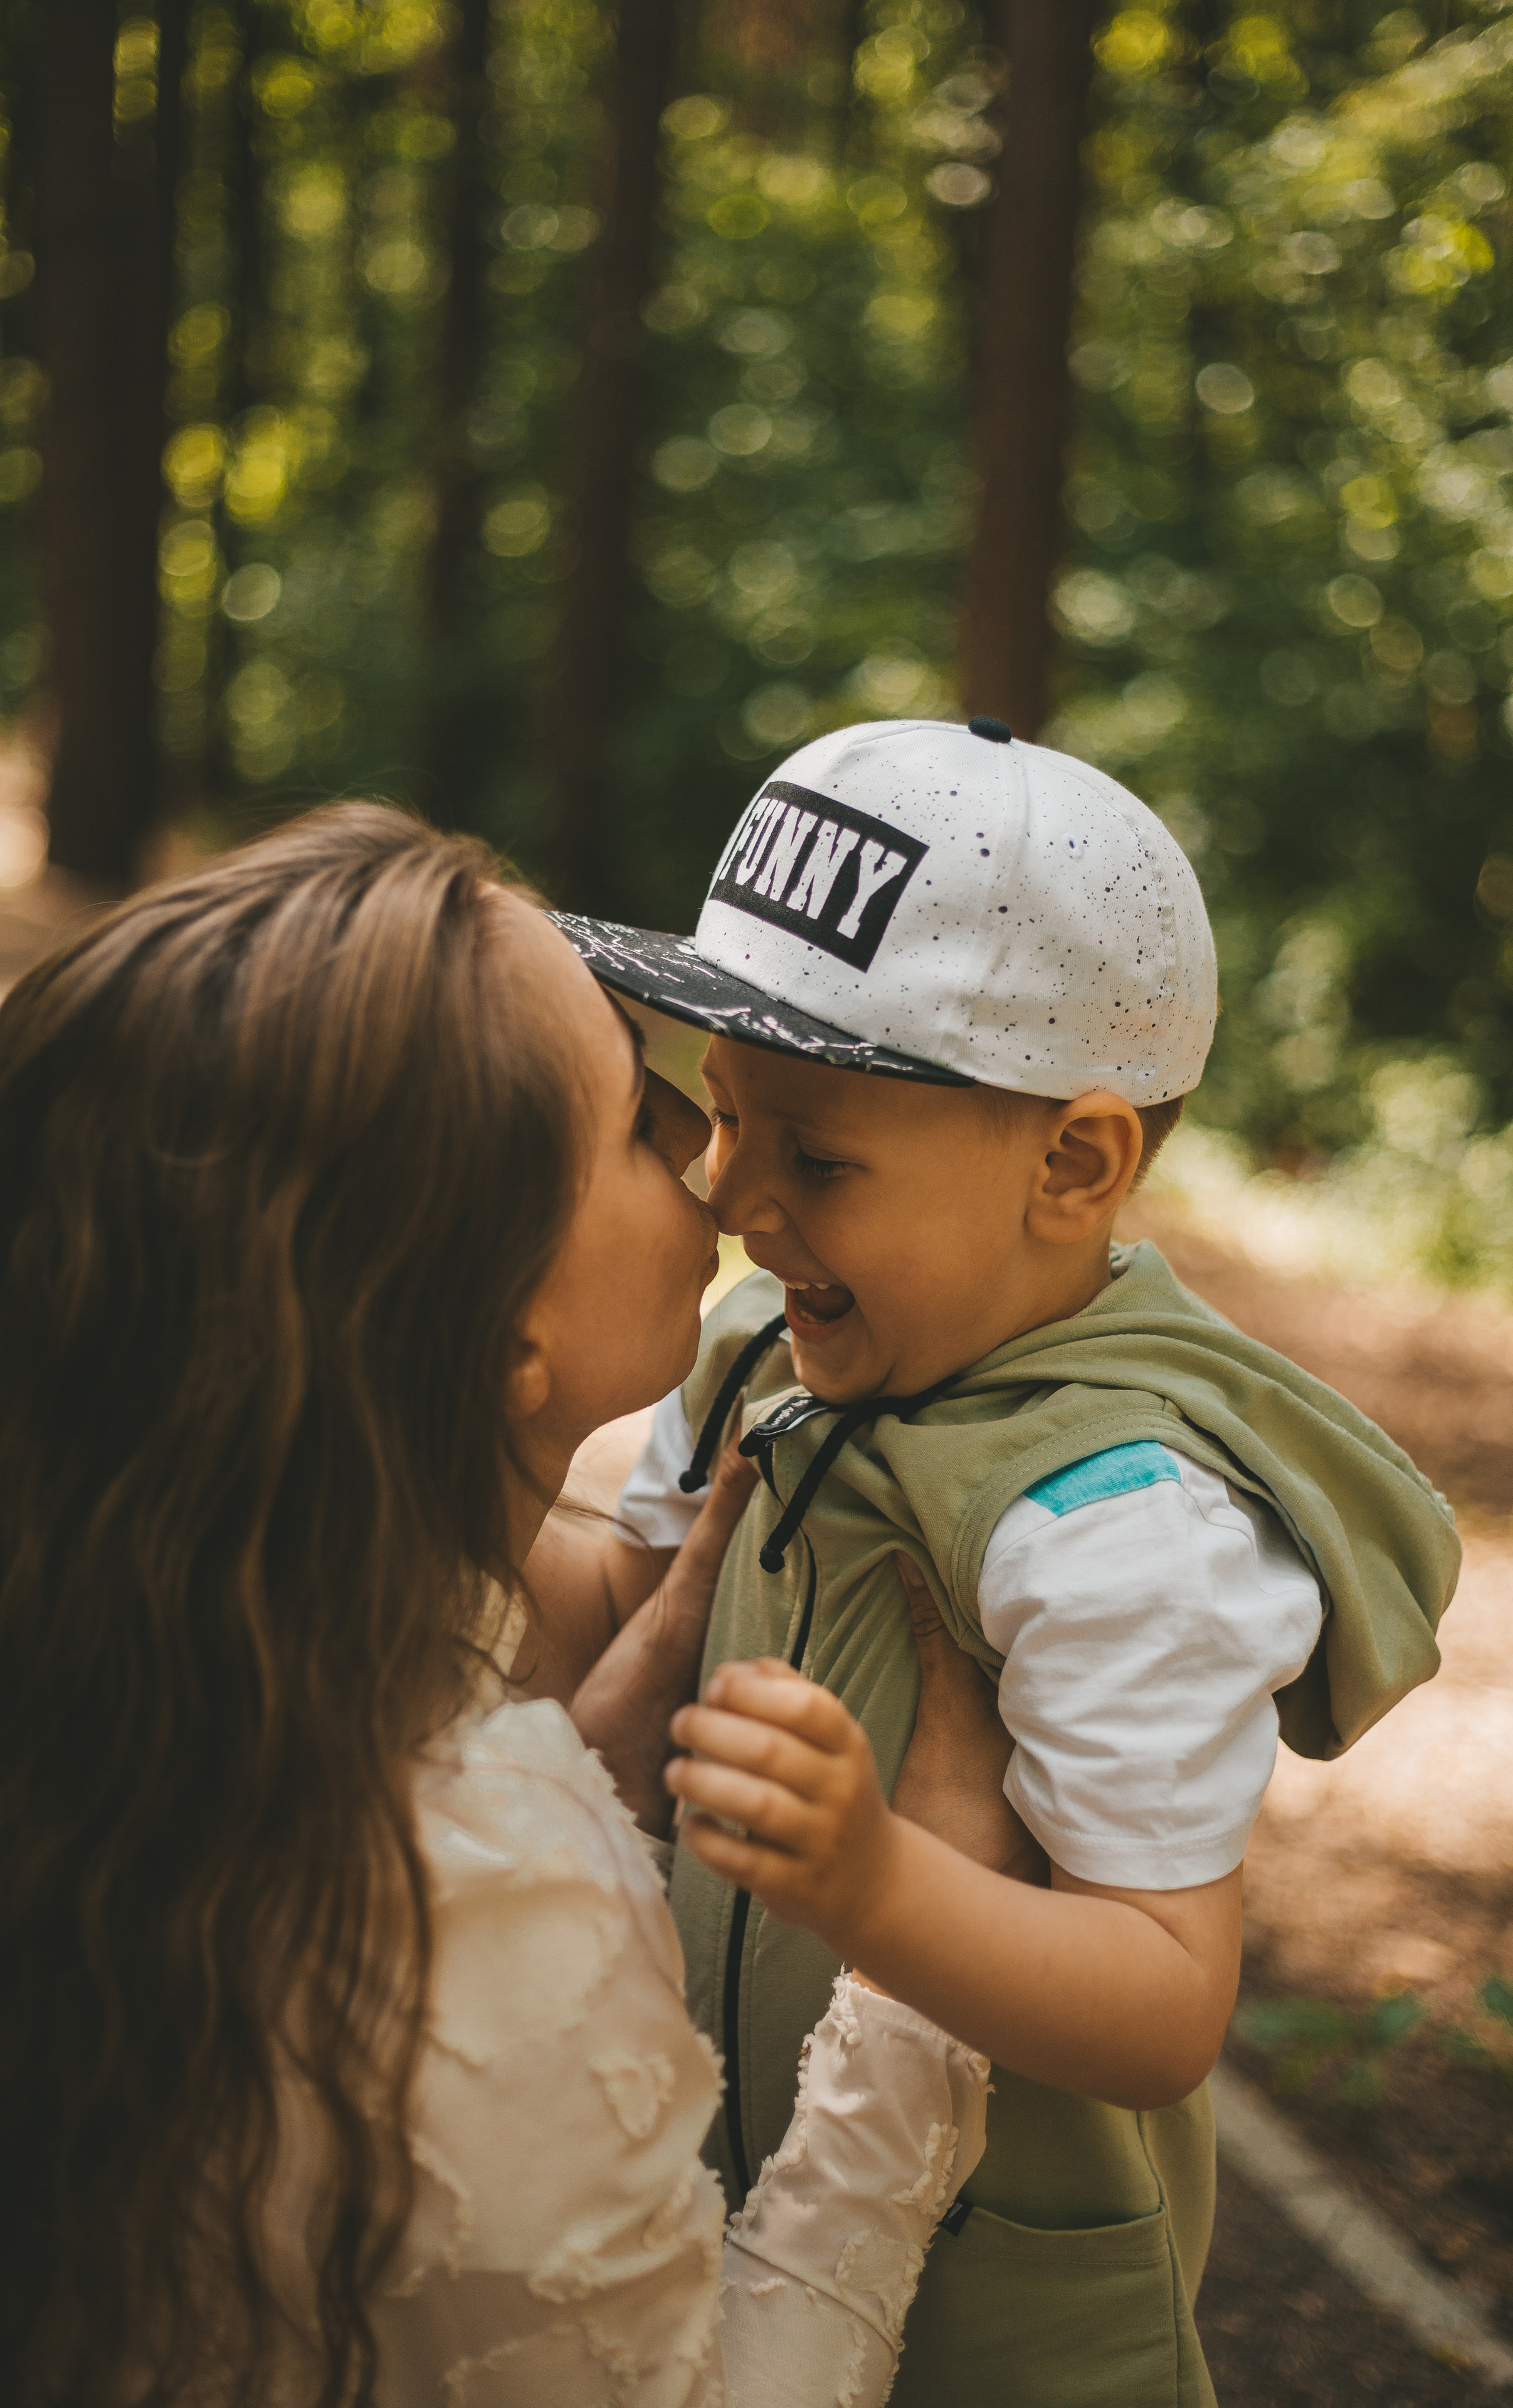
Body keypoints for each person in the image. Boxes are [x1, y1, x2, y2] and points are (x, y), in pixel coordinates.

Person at [0, 803, 1018, 2408]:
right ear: (492, 1340)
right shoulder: (479, 1933)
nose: (701, 1144)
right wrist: (917, 1993)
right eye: (628, 1119)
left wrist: (643, 1665)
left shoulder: (144, 1645)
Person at [547, 715, 1464, 2407]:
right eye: (724, 1114)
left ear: (1073, 1162)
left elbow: (1161, 1999)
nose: (734, 1195)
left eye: (817, 1155)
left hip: (995, 2329)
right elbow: (618, 1611)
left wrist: (876, 1886)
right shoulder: (767, 1349)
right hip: (708, 2226)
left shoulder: (1121, 1524)